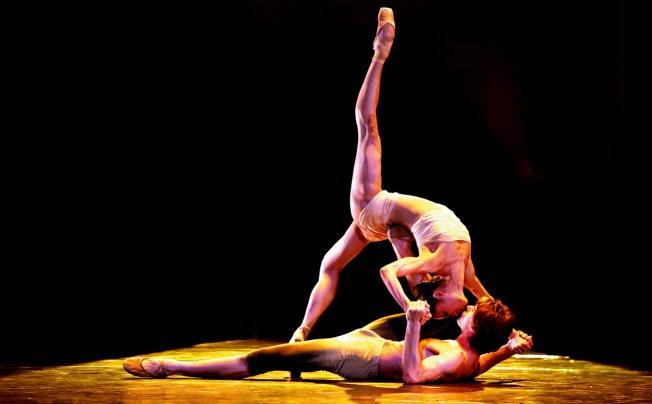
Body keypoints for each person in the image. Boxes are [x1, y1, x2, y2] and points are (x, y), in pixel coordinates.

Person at [290, 7, 493, 347]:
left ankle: (302, 330)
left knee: (335, 263)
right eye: (443, 312)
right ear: (441, 291)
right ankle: (379, 57)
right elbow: (486, 301)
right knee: (366, 126)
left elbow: (483, 302)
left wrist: (503, 331)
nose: (445, 316)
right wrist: (411, 304)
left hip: (382, 220)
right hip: (376, 210)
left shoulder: (448, 270)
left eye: (444, 316)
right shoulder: (448, 265)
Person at [123, 298, 533, 383]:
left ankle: (171, 368)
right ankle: (302, 354)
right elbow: (477, 366)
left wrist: (412, 325)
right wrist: (506, 353)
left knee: (265, 358)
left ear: (473, 329)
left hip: (362, 357)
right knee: (425, 300)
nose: (463, 311)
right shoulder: (468, 355)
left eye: (469, 314)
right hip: (372, 341)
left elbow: (413, 377)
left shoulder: (448, 356)